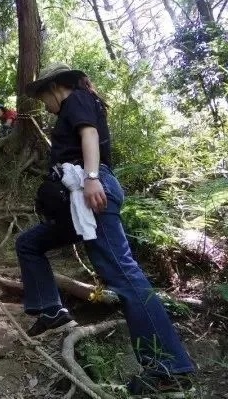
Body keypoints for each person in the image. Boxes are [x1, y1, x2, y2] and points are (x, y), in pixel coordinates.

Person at [15, 63, 195, 396]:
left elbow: (90, 135)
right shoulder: (72, 105)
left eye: (43, 98)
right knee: (29, 243)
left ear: (54, 87)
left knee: (125, 277)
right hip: (79, 200)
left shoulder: (77, 100)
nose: (45, 106)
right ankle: (52, 310)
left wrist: (93, 178)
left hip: (92, 191)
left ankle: (170, 368)